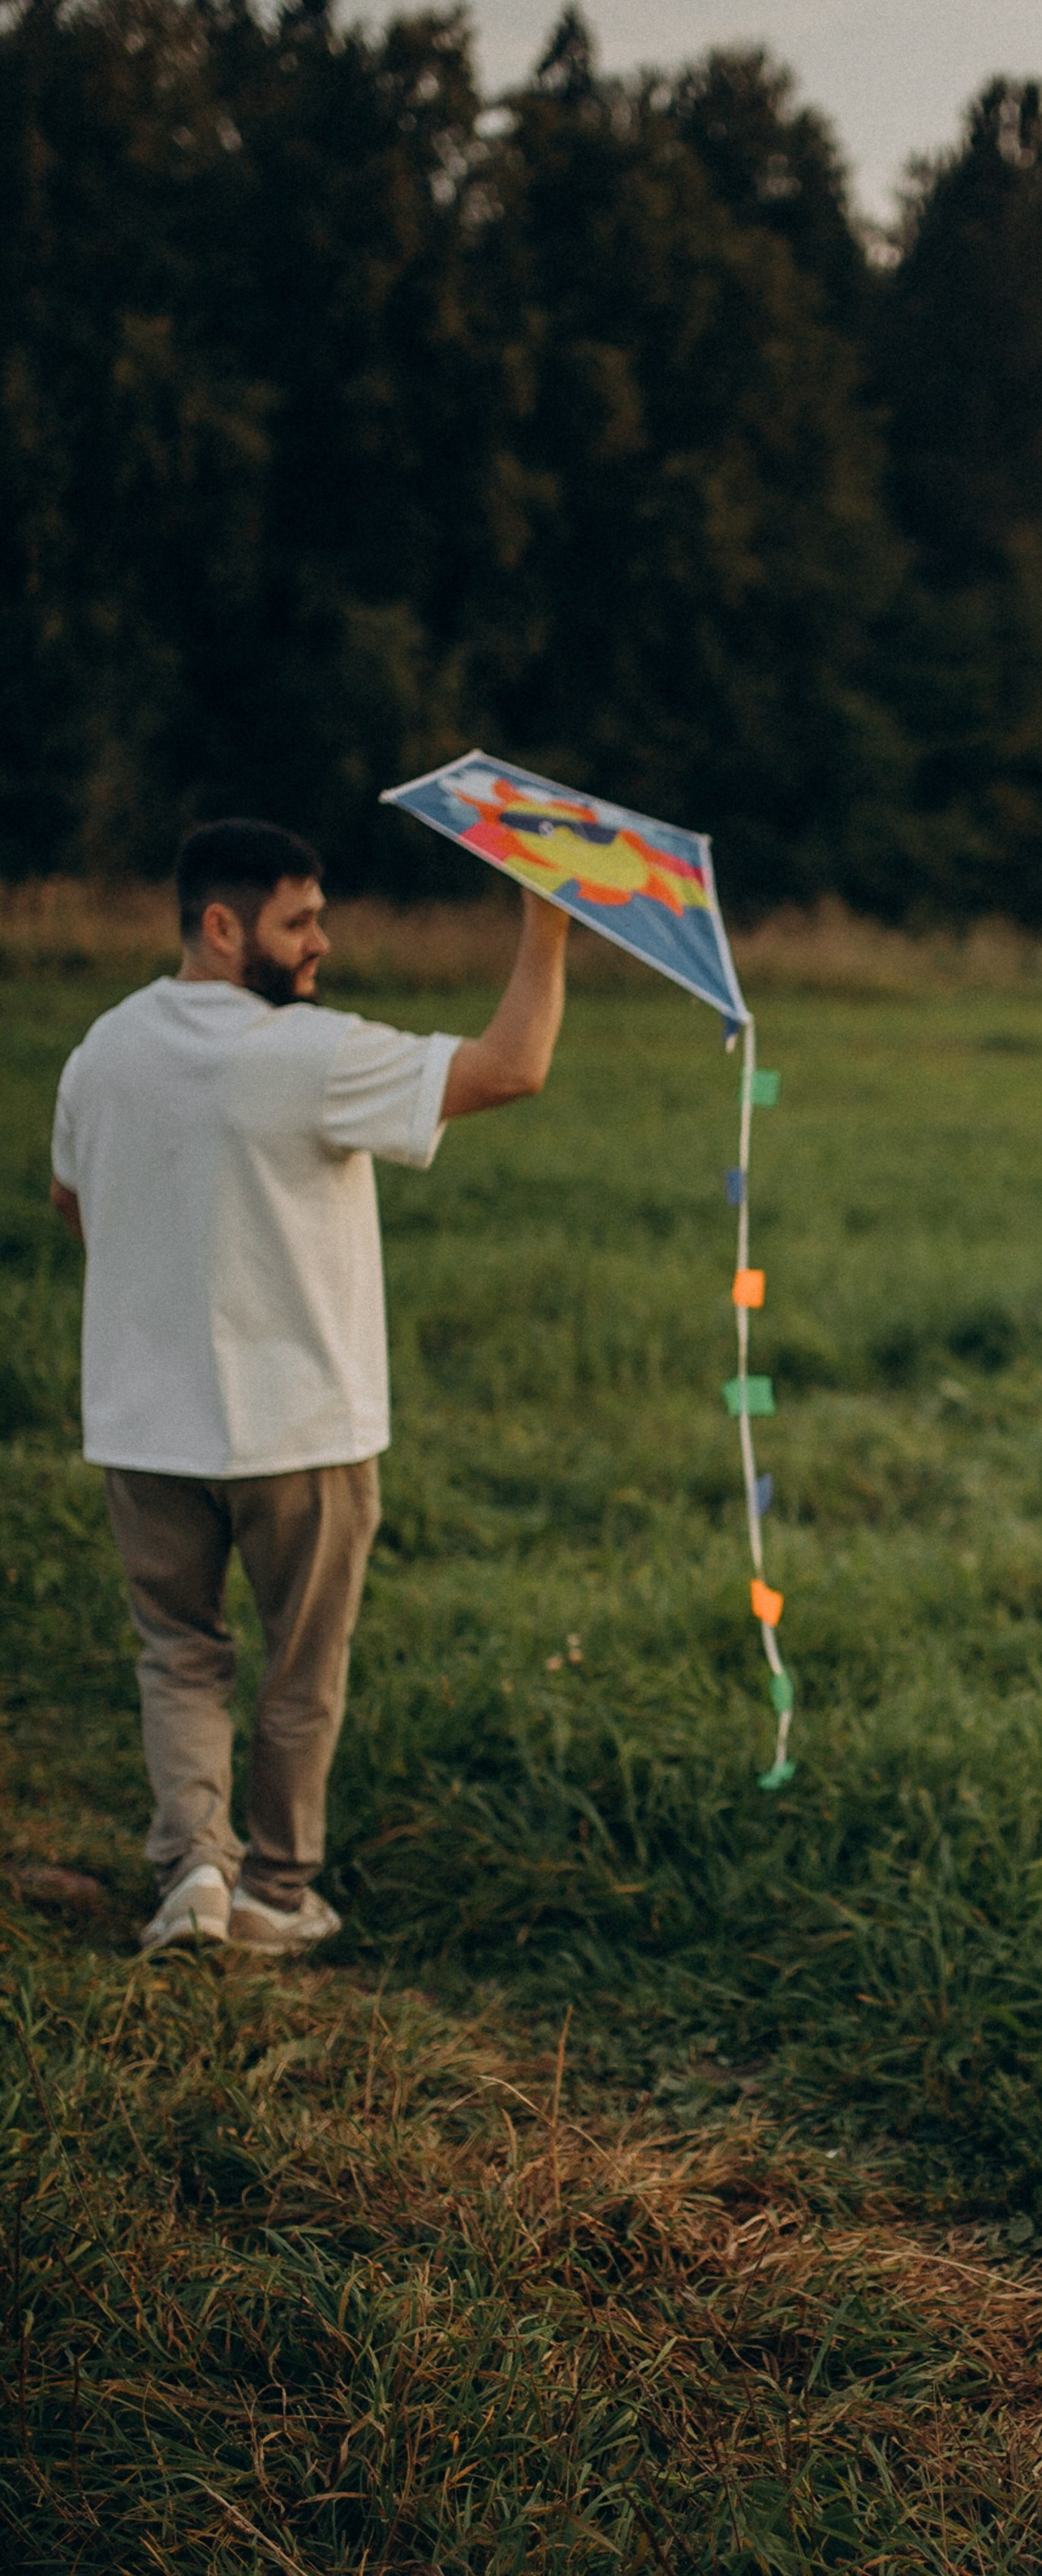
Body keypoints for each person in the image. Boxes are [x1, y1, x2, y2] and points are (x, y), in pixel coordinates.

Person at [49, 817, 571, 1958]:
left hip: (145, 1430)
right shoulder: (310, 1053)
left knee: (179, 1656)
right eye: (299, 922)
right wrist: (547, 922)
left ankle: (194, 1871)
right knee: (301, 1668)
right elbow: (515, 1066)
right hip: (302, 1431)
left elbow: (72, 1201)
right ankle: (275, 1896)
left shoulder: (102, 1050)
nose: (321, 943)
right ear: (222, 926)